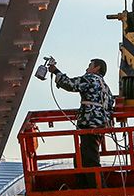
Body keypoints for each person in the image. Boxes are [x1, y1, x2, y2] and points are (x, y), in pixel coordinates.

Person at [49, 58, 115, 187]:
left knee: (89, 157)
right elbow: (110, 103)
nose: (87, 68)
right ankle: (85, 185)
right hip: (99, 123)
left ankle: (97, 188)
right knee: (82, 156)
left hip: (90, 123)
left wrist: (56, 71)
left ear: (97, 68)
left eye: (90, 65)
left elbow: (71, 84)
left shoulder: (91, 78)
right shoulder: (105, 86)